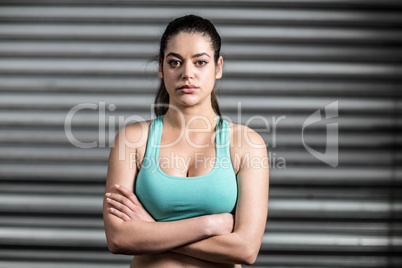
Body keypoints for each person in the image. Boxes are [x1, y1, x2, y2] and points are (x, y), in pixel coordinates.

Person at [103, 14, 269, 267]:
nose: (187, 73)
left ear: (218, 67)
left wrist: (151, 228)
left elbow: (245, 249)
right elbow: (118, 238)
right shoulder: (133, 139)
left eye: (200, 62)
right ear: (161, 68)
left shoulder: (247, 143)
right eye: (175, 62)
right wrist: (208, 224)